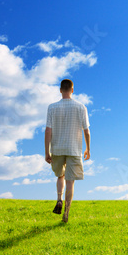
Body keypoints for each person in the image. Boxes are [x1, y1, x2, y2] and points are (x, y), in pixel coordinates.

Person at [44, 78, 90, 223]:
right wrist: (88, 148)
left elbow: (48, 131)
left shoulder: (52, 107)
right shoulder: (81, 107)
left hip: (57, 148)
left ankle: (59, 199)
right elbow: (86, 131)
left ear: (60, 90)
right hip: (74, 149)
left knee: (60, 176)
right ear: (72, 89)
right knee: (70, 181)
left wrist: (47, 151)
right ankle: (67, 212)